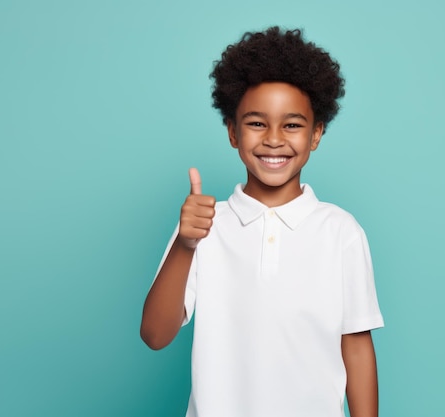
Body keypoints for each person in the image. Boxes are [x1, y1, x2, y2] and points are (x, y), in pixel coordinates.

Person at [140, 26, 384, 417]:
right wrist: (186, 244)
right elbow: (154, 335)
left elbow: (356, 346)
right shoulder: (204, 226)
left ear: (316, 133)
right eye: (256, 123)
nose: (273, 139)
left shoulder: (341, 232)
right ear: (233, 132)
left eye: (292, 125)